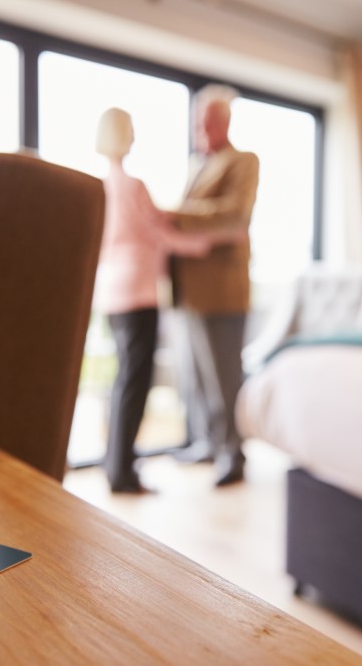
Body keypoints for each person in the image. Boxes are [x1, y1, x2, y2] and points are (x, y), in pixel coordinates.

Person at [94, 107, 237, 494]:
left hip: (111, 292)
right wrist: (204, 245)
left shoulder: (100, 185)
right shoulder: (133, 185)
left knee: (122, 379)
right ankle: (122, 472)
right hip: (139, 291)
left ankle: (116, 465)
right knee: (135, 382)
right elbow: (159, 233)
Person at [168, 85, 260, 488]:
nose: (200, 127)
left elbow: (232, 219)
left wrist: (170, 215)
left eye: (208, 119)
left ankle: (232, 454)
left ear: (225, 122)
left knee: (225, 378)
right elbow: (206, 222)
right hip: (188, 291)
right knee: (196, 377)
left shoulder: (242, 161)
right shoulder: (195, 166)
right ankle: (208, 442)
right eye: (197, 120)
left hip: (223, 292)